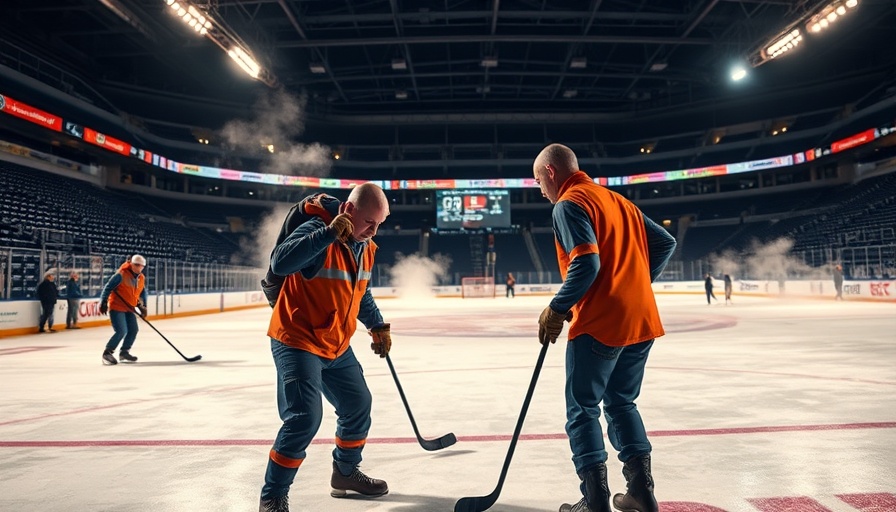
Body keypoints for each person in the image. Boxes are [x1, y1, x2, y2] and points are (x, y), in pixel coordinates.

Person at [532, 144, 676, 512]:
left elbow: (587, 264)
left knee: (582, 409)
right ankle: (641, 493)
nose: (541, 190)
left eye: (538, 181)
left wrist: (557, 307)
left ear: (551, 172)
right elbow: (665, 242)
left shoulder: (568, 203)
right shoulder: (618, 201)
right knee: (622, 403)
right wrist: (634, 286)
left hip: (600, 323)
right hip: (641, 319)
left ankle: (595, 500)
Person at [259, 183, 392, 512]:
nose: (373, 231)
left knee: (358, 404)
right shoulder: (318, 229)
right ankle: (273, 496)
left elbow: (359, 292)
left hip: (336, 342)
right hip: (298, 338)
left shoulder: (367, 246)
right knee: (305, 418)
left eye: (379, 224)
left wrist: (376, 324)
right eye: (368, 223)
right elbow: (280, 262)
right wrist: (329, 234)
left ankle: (345, 473)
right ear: (348, 210)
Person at [98, 254, 148, 365]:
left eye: (141, 266)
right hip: (117, 307)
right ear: (131, 264)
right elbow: (108, 287)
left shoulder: (141, 278)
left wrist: (142, 306)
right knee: (121, 330)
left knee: (133, 330)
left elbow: (141, 292)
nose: (139, 268)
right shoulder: (121, 275)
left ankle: (124, 352)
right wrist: (103, 301)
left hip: (129, 308)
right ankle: (107, 353)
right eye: (136, 265)